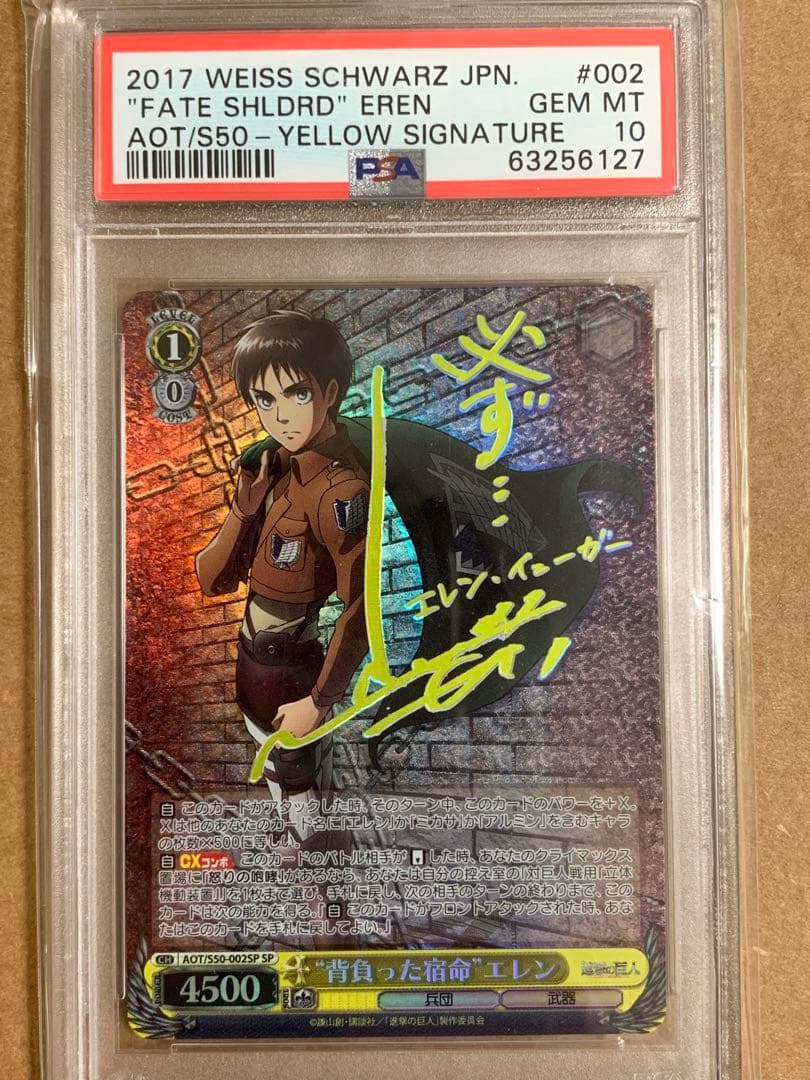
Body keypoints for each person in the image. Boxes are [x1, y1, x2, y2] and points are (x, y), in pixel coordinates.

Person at [196, 310, 369, 826]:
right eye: (264, 400)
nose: (280, 416)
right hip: (252, 669)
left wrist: (319, 700)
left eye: (296, 394)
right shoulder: (273, 471)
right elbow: (211, 580)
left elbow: (361, 607)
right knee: (280, 785)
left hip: (294, 673)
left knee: (303, 801)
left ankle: (318, 866)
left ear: (330, 391)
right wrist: (243, 510)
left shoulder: (340, 490)